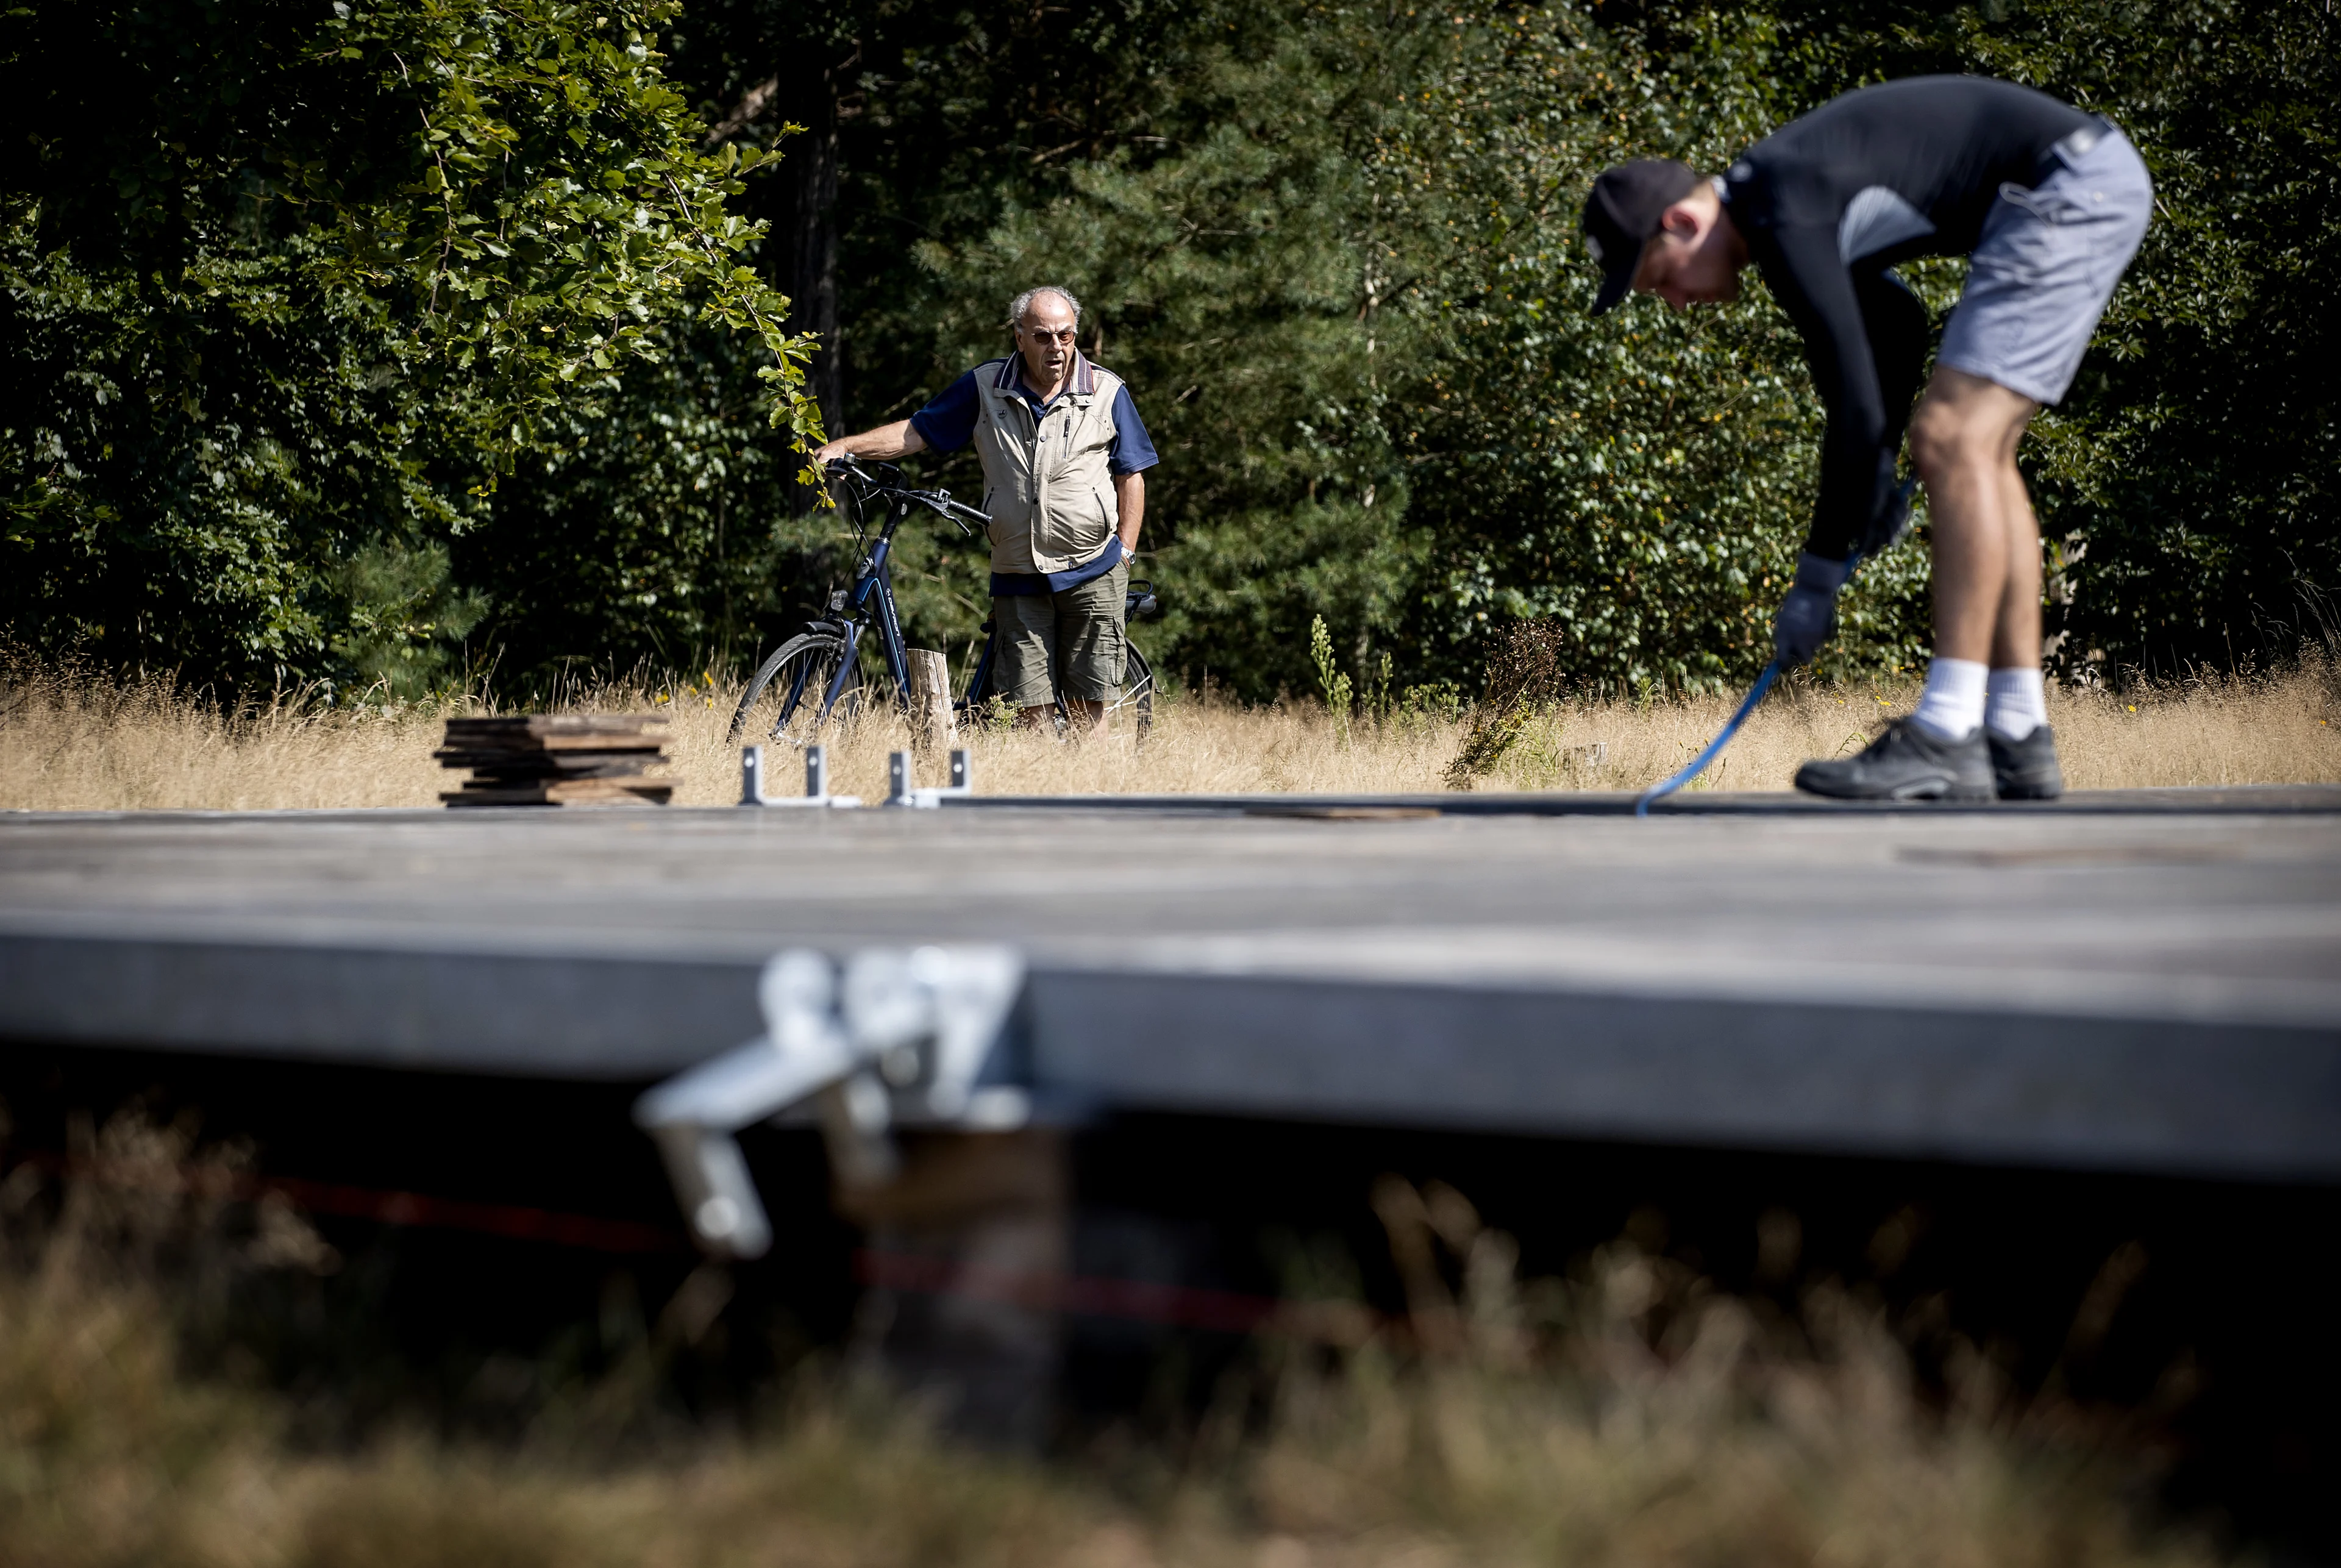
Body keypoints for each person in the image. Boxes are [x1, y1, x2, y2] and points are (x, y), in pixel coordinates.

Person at [1582, 76, 2153, 800]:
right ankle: (2017, 732)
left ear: (1684, 224)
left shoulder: (1784, 210)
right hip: (2078, 181)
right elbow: (1892, 335)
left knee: (1953, 437)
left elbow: (1858, 409)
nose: (1674, 302)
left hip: (2064, 190)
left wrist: (1816, 580)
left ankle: (1947, 731)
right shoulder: (1777, 216)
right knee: (1976, 446)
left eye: (1658, 278)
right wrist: (1873, 483)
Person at [811, 285, 1159, 733]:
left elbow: (1132, 474)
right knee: (1029, 713)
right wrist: (845, 447)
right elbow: (916, 432)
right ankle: (1039, 798)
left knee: (1088, 712)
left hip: (1094, 568)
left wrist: (1126, 551)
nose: (1056, 347)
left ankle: (1088, 797)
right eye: (1043, 337)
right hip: (1018, 570)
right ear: (1019, 337)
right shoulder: (985, 386)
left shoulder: (1107, 391)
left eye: (1066, 336)